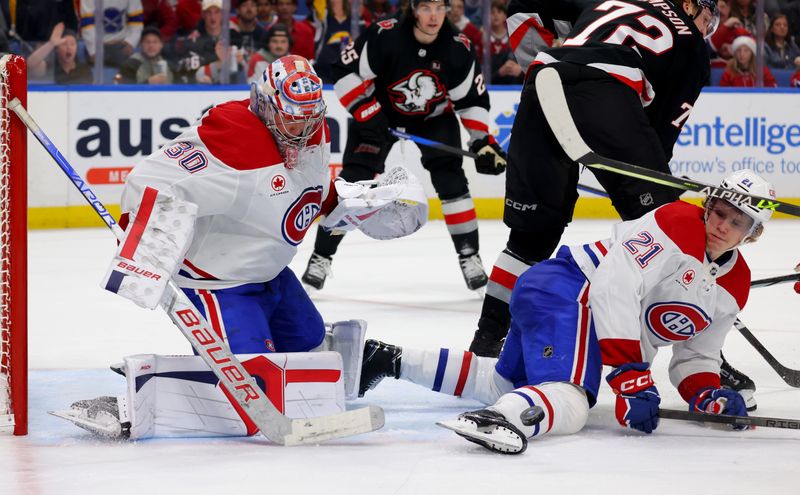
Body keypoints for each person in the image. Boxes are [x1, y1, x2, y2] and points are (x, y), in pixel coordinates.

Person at [54, 54, 427, 439]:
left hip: (272, 273)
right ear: (265, 103)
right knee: (248, 401)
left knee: (313, 349)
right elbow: (147, 182)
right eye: (292, 115)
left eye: (310, 114)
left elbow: (304, 190)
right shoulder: (231, 137)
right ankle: (140, 394)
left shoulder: (313, 130)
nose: (302, 126)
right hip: (220, 284)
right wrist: (148, 247)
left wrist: (347, 204)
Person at [359, 170, 776, 454]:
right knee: (571, 400)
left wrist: (706, 395)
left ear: (753, 233)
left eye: (737, 222)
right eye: (720, 212)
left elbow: (697, 355)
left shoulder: (734, 285)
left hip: (568, 307)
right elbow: (615, 286)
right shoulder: (677, 221)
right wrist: (630, 378)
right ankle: (499, 422)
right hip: (569, 289)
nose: (721, 226)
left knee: (506, 383)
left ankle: (389, 360)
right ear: (708, 206)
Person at [468, 0, 720, 357]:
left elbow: (522, 5)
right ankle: (700, 351)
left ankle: (486, 339)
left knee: (530, 237)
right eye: (709, 16)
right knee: (664, 226)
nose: (708, 26)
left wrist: (545, 61)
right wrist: (653, 184)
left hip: (544, 79)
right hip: (605, 89)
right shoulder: (693, 46)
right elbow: (661, 133)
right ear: (690, 5)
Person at [301, 0, 508, 293]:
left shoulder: (457, 47)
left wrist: (482, 142)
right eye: (426, 7)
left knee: (452, 183)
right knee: (352, 182)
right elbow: (344, 71)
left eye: (439, 7)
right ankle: (320, 257)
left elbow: (471, 100)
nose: (433, 16)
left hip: (434, 118)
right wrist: (366, 112)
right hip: (379, 115)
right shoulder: (385, 34)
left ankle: (469, 256)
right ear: (413, 9)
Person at [80, 0, 145, 67]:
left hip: (121, 46)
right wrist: (92, 49)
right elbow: (87, 23)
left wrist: (131, 42)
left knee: (126, 75)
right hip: (97, 46)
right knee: (91, 76)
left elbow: (137, 19)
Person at [26, 23, 93, 84]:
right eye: (64, 44)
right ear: (57, 49)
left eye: (72, 44)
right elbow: (30, 64)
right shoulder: (50, 68)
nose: (69, 47)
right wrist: (51, 44)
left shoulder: (84, 70)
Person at [488, 0, 523, 85]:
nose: (495, 15)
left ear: (505, 16)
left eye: (499, 12)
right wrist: (499, 72)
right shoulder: (482, 38)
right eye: (492, 12)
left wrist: (521, 70)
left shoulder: (514, 37)